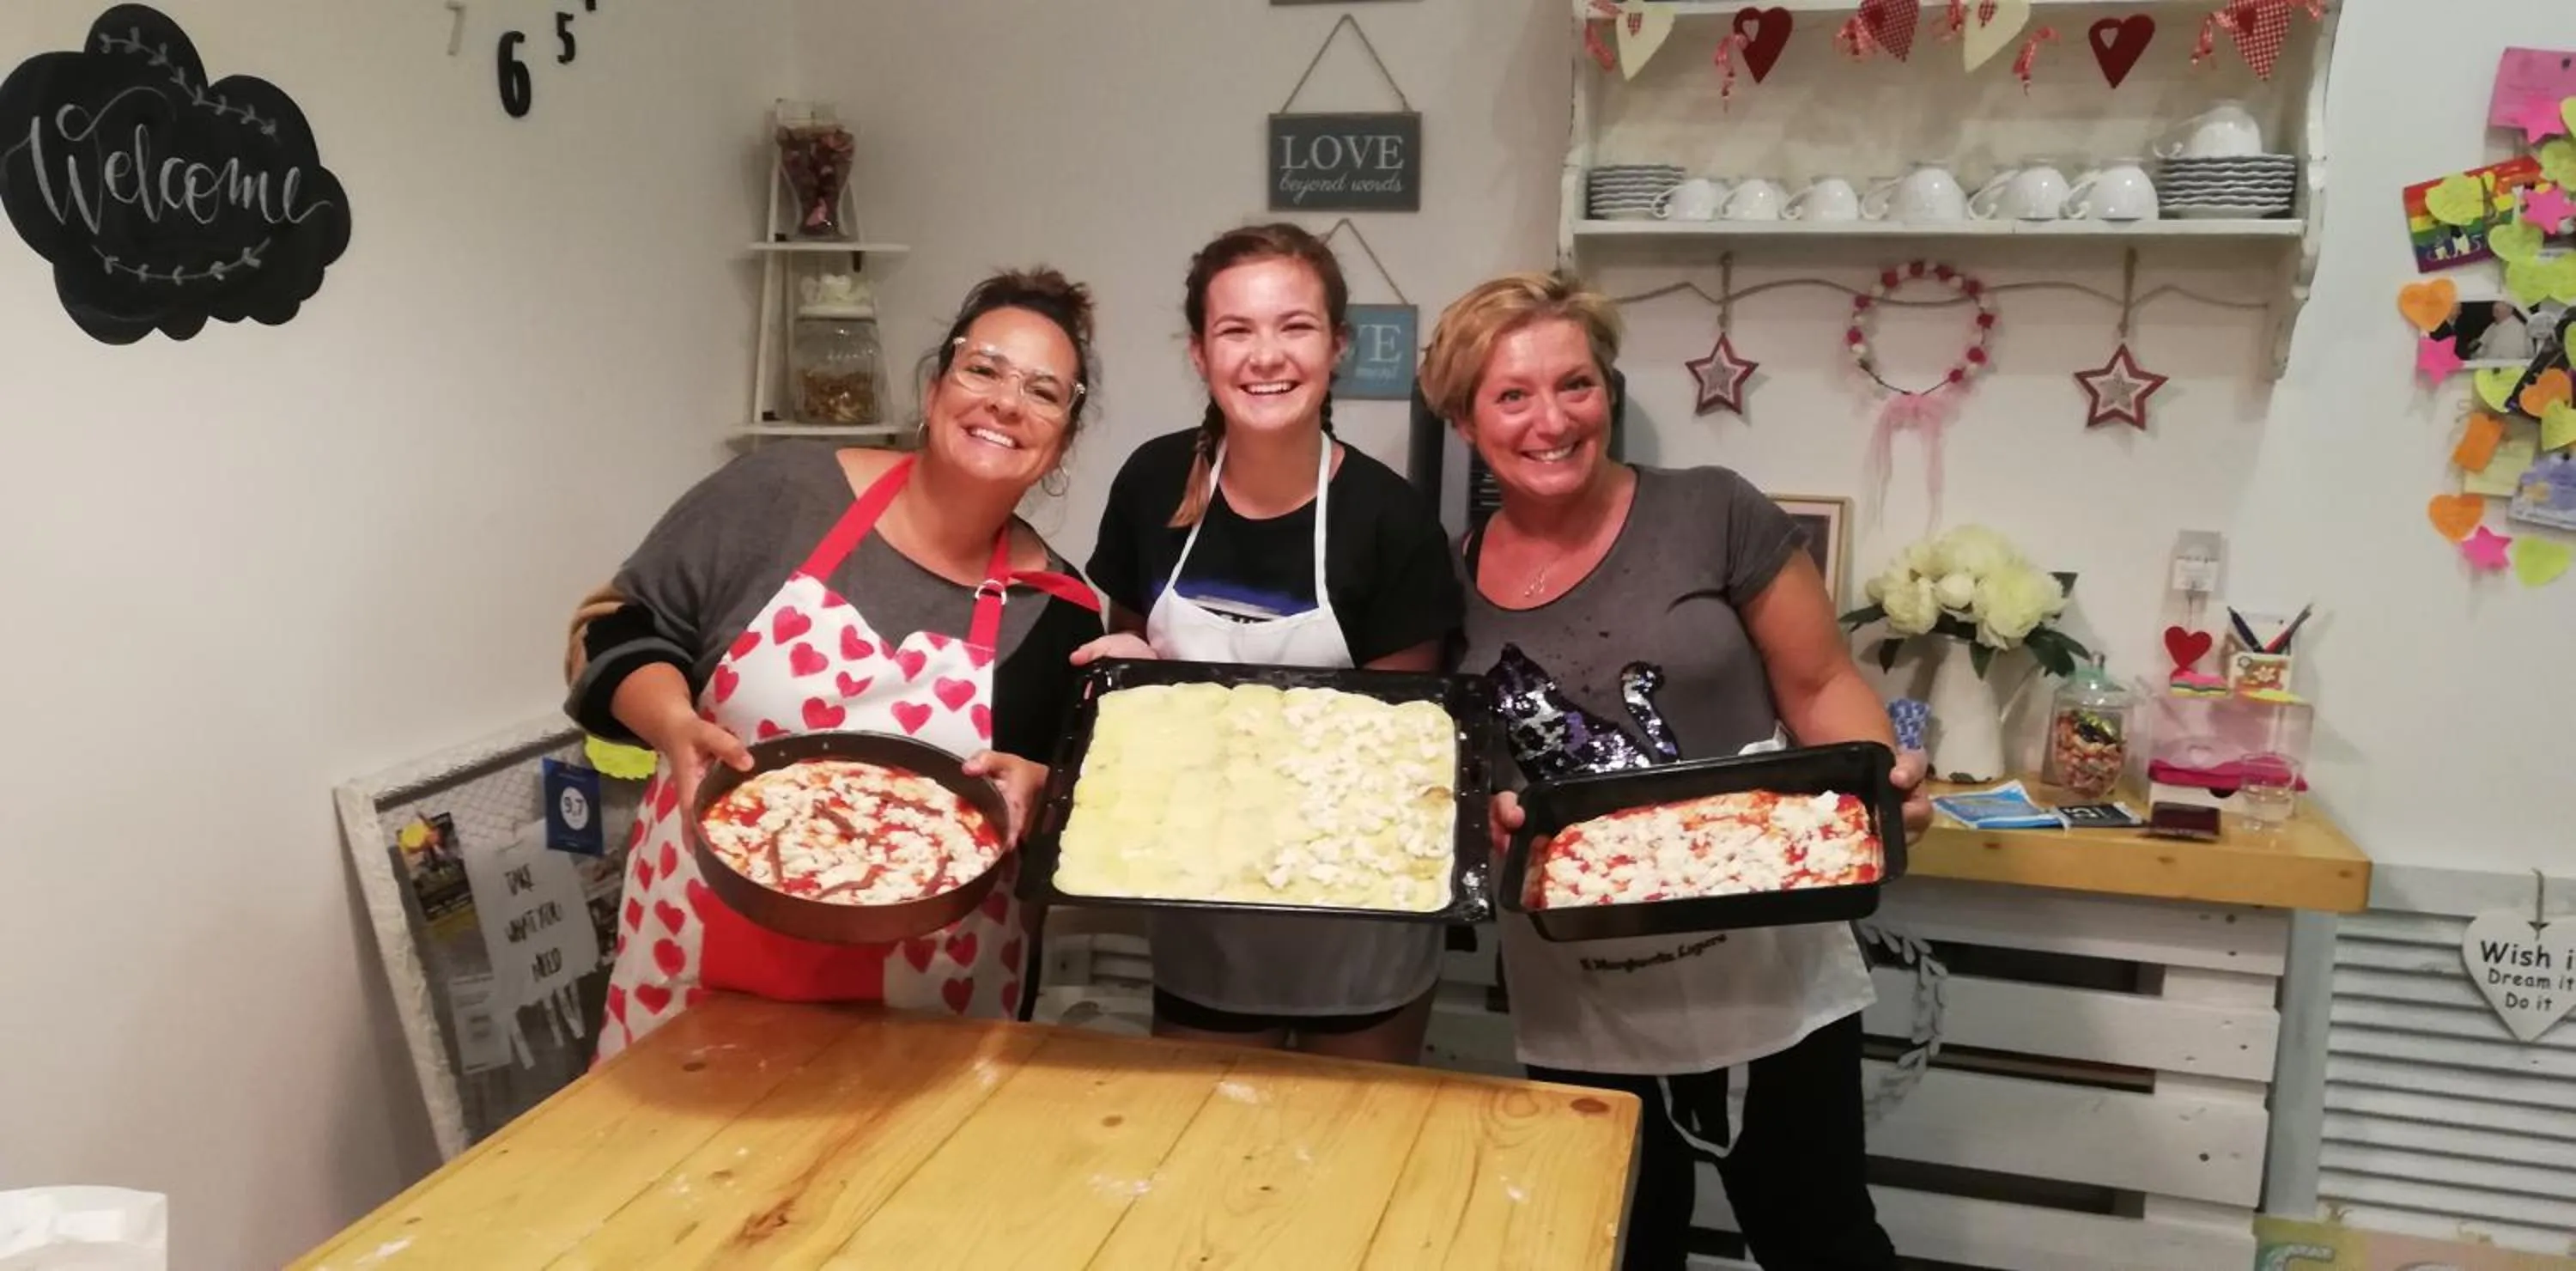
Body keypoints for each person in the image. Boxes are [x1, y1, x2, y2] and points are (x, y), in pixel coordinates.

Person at [1421, 271, 1934, 1271]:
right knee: (1618, 1245)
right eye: (1512, 395)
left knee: (1819, 1237)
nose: (1551, 420)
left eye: (1575, 383)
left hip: (1768, 960)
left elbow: (1821, 682)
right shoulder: (1448, 578)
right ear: (1465, 419)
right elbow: (1455, 774)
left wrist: (1879, 794)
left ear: (1608, 389)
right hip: (1583, 983)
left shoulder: (1710, 511)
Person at [564, 268, 1107, 1061]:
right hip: (700, 968)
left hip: (924, 1016)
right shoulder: (779, 496)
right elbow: (612, 629)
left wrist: (1045, 790)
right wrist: (675, 725)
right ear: (933, 389)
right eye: (983, 369)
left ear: (1063, 440)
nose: (1005, 402)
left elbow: (1064, 820)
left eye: (1044, 392)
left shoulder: (1062, 615)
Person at [1078, 222, 1465, 1064]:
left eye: (1295, 326)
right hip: (1201, 911)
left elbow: (1400, 755)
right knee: (1206, 1140)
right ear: (1199, 352)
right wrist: (1123, 682)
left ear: (1337, 346)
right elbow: (1129, 685)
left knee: (1352, 1142)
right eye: (1236, 330)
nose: (1266, 356)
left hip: (1358, 924)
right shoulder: (1152, 485)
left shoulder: (1390, 521)